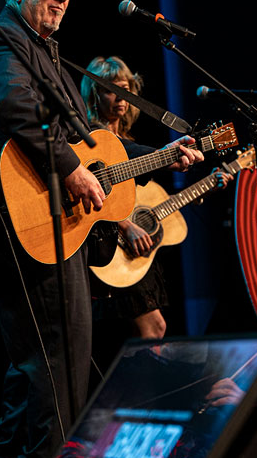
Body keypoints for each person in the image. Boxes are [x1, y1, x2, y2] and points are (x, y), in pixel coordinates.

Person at [0, 0, 203, 458]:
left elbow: (94, 145)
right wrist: (70, 171)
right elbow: (13, 108)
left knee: (41, 366)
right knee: (56, 365)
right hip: (20, 224)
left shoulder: (48, 55)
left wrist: (159, 155)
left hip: (55, 231)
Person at [81, 57, 232, 341]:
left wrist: (204, 189)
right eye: (111, 89)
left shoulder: (129, 142)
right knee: (151, 332)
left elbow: (152, 202)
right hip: (112, 246)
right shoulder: (90, 139)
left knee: (153, 332)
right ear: (94, 94)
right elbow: (95, 190)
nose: (120, 97)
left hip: (138, 253)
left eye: (126, 89)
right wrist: (127, 226)